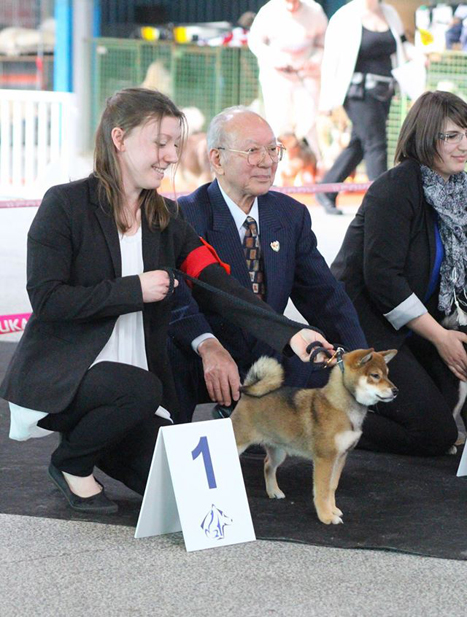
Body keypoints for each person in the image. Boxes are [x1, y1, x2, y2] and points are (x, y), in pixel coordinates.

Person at [0, 88, 332, 514]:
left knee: (183, 497)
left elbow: (221, 287)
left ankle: (99, 440)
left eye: (175, 144)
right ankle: (71, 462)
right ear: (119, 139)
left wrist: (292, 334)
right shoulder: (64, 205)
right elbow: (48, 300)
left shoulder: (168, 219)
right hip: (68, 380)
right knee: (139, 387)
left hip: (135, 393)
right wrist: (132, 289)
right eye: (159, 142)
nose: (171, 155)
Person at [168, 106, 366, 423]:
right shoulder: (186, 215)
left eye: (273, 149)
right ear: (217, 159)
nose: (268, 160)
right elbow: (177, 305)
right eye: (252, 151)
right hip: (209, 354)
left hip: (272, 351)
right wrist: (208, 347)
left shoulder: (289, 215)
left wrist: (360, 360)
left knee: (351, 385)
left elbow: (325, 296)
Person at [331, 90, 467, 456]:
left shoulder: (460, 189)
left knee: (439, 410)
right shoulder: (395, 188)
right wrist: (441, 337)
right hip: (363, 319)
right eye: (451, 136)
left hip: (413, 322)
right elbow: (383, 281)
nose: (463, 145)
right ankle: (329, 414)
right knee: (434, 433)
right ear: (425, 138)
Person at [316, 0, 413, 215]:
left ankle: (326, 189)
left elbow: (403, 43)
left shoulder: (390, 13)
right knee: (376, 143)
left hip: (384, 90)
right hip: (357, 92)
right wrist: (326, 100)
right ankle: (383, 201)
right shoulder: (344, 17)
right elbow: (331, 60)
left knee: (361, 142)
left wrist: (416, 57)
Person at [247, 0, 328, 162]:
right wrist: (274, 60)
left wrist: (315, 60)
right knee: (279, 124)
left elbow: (324, 42)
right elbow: (255, 41)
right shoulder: (269, 11)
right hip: (277, 77)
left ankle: (312, 166)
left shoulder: (315, 11)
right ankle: (278, 169)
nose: (291, 6)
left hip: (306, 76)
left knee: (308, 124)